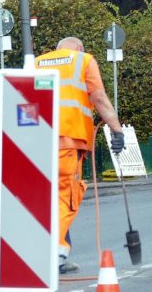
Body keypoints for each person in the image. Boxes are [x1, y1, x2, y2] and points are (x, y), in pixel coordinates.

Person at [35, 37, 124, 273]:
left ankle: (56, 253)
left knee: (45, 198)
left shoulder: (37, 62)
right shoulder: (83, 60)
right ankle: (54, 254)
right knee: (66, 196)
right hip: (68, 140)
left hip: (36, 143)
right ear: (79, 48)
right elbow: (99, 98)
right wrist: (116, 130)